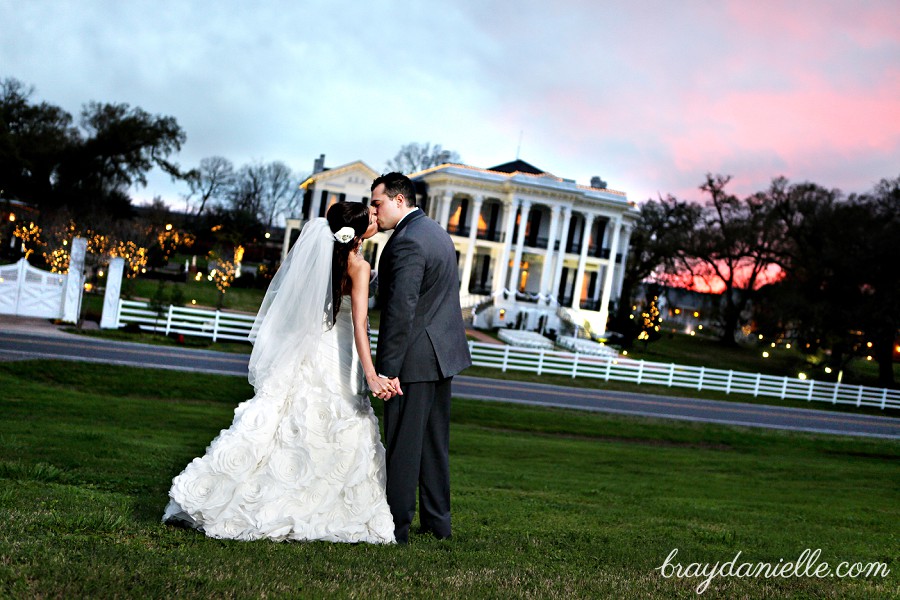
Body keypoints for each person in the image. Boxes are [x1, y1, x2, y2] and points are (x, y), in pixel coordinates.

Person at [162, 202, 398, 544]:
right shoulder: (359, 266)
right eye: (371, 216)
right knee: (337, 420)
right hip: (339, 349)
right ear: (357, 234)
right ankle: (317, 502)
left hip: (314, 345)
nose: (376, 217)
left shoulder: (329, 260)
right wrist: (372, 374)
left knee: (290, 417)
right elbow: (360, 326)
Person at [370, 172, 472, 544]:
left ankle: (396, 527)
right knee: (432, 445)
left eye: (377, 203)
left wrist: (388, 371)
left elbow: (402, 311)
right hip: (441, 355)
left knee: (403, 446)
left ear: (399, 201)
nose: (373, 211)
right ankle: (437, 523)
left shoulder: (407, 242)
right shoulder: (435, 232)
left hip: (413, 361)